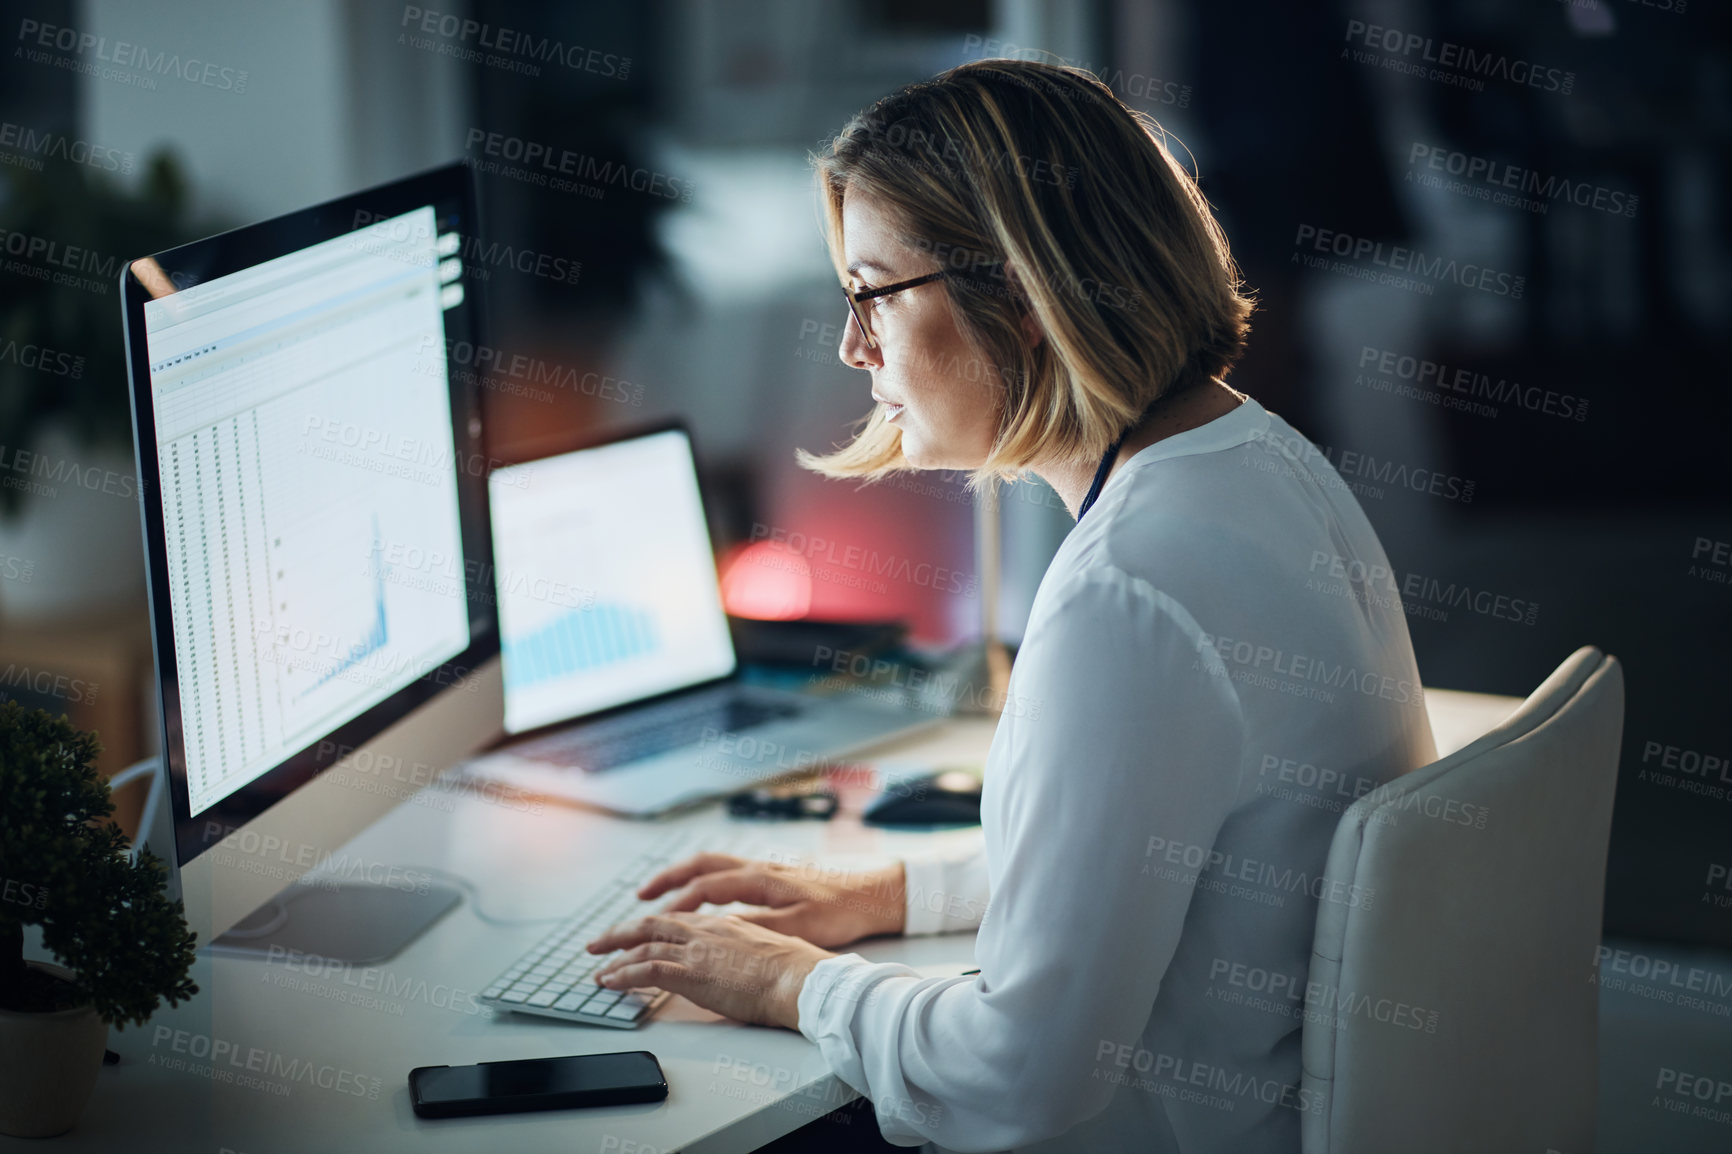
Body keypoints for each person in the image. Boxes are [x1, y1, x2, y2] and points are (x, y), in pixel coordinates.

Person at [586, 58, 1437, 1153]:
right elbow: (1161, 845)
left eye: (872, 293)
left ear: (1022, 299)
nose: (852, 347)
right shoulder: (1261, 460)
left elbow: (1020, 1073)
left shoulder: (1127, 592)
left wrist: (795, 983)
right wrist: (894, 889)